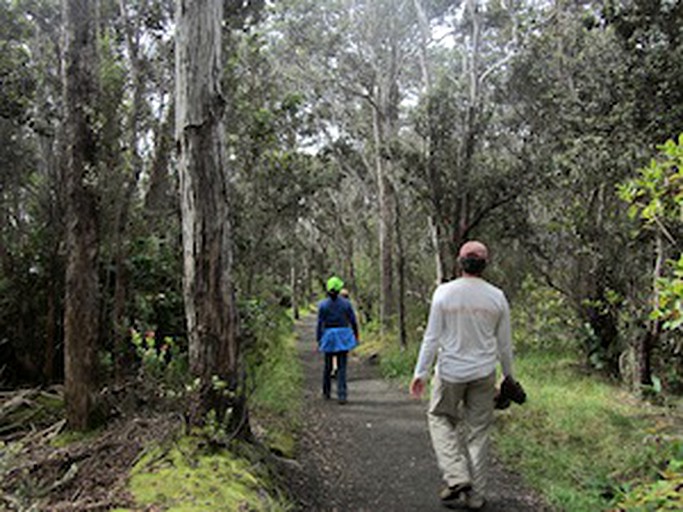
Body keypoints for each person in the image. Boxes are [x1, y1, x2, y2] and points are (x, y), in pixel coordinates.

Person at [409, 240, 515, 510]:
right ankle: (476, 496)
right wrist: (508, 377)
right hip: (484, 373)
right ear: (485, 264)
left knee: (439, 417)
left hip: (450, 373)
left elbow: (431, 337)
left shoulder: (444, 293)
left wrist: (421, 372)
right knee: (478, 433)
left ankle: (456, 476)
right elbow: (505, 344)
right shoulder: (497, 296)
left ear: (460, 262)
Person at [317, 277, 360, 404]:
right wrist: (356, 335)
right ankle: (342, 395)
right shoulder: (346, 304)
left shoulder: (323, 305)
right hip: (343, 336)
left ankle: (326, 392)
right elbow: (353, 321)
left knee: (328, 365)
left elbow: (320, 323)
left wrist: (319, 338)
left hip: (329, 335)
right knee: (342, 366)